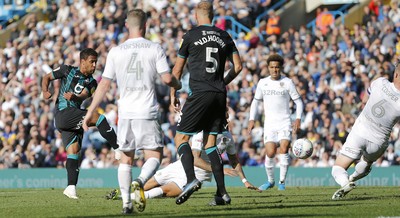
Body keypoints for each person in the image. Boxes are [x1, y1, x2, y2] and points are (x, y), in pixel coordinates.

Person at [82, 9, 181, 214]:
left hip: (125, 112)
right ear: (145, 25)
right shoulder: (154, 48)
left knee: (125, 158)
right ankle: (141, 181)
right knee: (155, 154)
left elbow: (103, 85)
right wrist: (177, 85)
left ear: (127, 25)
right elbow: (167, 79)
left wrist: (90, 110)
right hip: (146, 110)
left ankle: (126, 203)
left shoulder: (116, 51)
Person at [170, 1, 242, 205]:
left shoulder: (190, 35)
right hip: (219, 94)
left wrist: (173, 94)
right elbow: (238, 66)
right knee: (210, 144)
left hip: (199, 93)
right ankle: (222, 194)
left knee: (181, 139)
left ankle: (191, 179)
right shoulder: (225, 36)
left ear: (196, 15)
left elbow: (177, 71)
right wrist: (222, 83)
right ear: (212, 15)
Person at [41, 48, 119, 199]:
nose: (95, 65)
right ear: (82, 62)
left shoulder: (92, 82)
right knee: (99, 118)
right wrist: (45, 91)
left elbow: (83, 96)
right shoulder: (66, 70)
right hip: (63, 114)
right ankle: (118, 148)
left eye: (96, 62)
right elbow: (46, 77)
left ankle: (70, 188)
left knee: (74, 152)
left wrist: (75, 97)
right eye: (92, 62)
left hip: (71, 117)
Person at [105, 131, 259, 205]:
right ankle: (122, 196)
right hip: (181, 166)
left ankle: (120, 198)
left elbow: (234, 160)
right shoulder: (202, 133)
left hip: (197, 176)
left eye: (226, 115)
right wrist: (218, 169)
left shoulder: (228, 137)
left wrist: (244, 180)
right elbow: (195, 159)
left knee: (164, 191)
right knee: (146, 185)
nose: (225, 118)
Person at [331, 65, 400, 200]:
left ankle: (345, 182)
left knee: (338, 168)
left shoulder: (380, 82)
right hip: (379, 141)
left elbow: (364, 100)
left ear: (396, 74)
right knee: (366, 163)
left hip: (361, 131)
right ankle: (353, 177)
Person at [247, 54, 304, 191]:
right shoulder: (262, 83)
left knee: (284, 148)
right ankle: (270, 181)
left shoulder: (287, 82)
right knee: (270, 152)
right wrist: (251, 119)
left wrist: (298, 118)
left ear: (281, 68)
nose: (274, 70)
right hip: (270, 124)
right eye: (272, 67)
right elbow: (255, 102)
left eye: (277, 67)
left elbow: (298, 101)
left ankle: (282, 182)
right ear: (268, 68)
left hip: (285, 122)